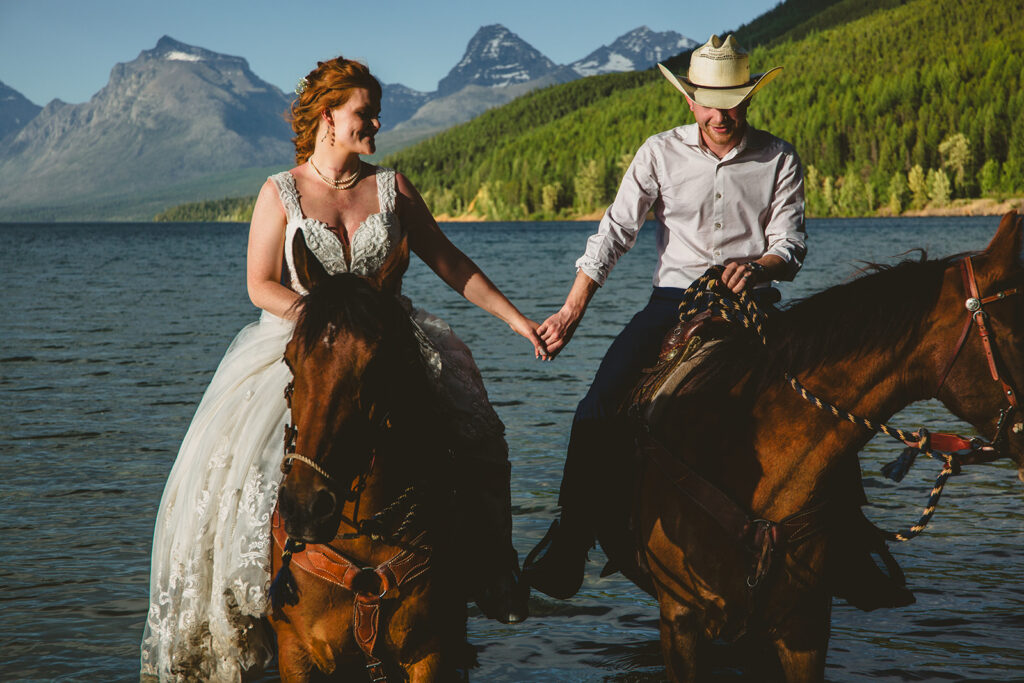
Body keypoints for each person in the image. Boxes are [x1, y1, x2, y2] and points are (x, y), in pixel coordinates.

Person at [141, 56, 546, 682]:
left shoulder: (391, 188)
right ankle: (248, 604)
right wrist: (326, 325)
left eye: (375, 112)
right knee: (231, 474)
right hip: (309, 341)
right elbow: (259, 284)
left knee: (479, 434)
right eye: (364, 111)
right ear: (328, 117)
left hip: (392, 347)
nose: (376, 122)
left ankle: (490, 572)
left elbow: (450, 262)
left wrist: (518, 321)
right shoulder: (280, 191)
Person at [522, 35, 806, 600]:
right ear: (691, 100)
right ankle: (573, 538)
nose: (720, 114)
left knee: (822, 396)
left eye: (733, 101)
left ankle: (847, 537)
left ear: (749, 100)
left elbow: (791, 245)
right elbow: (615, 232)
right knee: (597, 405)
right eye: (709, 101)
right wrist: (572, 309)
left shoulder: (779, 157)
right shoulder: (659, 151)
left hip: (751, 303)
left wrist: (760, 265)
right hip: (674, 303)